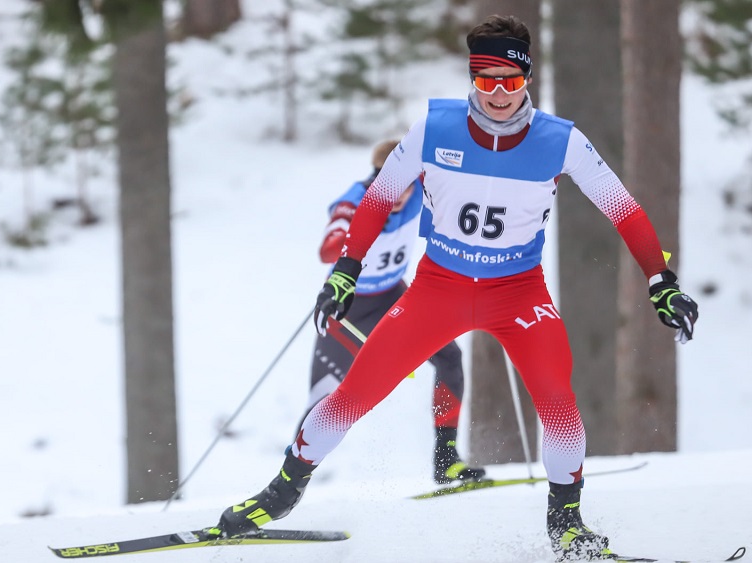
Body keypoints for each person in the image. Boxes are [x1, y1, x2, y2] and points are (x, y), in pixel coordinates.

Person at [215, 14, 699, 562]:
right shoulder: (434, 128)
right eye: (485, 79)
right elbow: (378, 199)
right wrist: (346, 270)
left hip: (518, 293)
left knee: (559, 403)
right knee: (352, 396)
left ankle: (567, 521)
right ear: (471, 77)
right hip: (437, 289)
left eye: (509, 81)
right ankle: (279, 494)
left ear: (527, 79)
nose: (497, 94)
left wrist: (662, 283)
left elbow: (625, 211)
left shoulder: (561, 141)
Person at [307, 139, 483, 485]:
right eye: (388, 182)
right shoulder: (354, 201)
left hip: (393, 294)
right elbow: (328, 250)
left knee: (450, 357)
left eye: (405, 182)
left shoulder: (420, 188)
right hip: (349, 308)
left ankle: (446, 459)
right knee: (321, 402)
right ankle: (285, 488)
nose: (398, 194)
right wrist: (357, 234)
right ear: (375, 177)